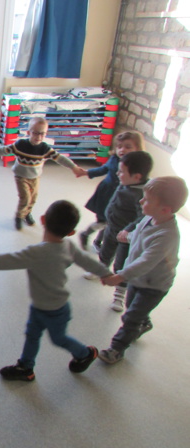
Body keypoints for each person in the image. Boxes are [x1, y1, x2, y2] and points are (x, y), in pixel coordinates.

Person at [0, 200, 112, 381]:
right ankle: (26, 367)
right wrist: (105, 274)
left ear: (42, 220)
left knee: (59, 339)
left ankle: (85, 353)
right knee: (32, 335)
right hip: (45, 306)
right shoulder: (69, 246)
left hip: (55, 309)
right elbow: (87, 261)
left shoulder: (36, 253)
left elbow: (7, 260)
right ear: (71, 232)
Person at [99, 176, 188, 364]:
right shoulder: (150, 218)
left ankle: (116, 348)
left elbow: (147, 261)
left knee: (130, 317)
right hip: (138, 279)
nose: (141, 201)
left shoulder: (167, 236)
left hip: (154, 285)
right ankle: (144, 322)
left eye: (146, 200)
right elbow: (140, 235)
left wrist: (120, 276)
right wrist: (129, 236)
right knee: (133, 307)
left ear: (165, 209)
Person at [0, 117, 84, 230]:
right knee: (25, 198)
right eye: (35, 133)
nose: (39, 137)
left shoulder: (45, 148)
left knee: (33, 198)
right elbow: (5, 150)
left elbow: (60, 158)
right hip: (21, 176)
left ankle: (27, 213)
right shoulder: (20, 144)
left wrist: (73, 167)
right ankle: (19, 217)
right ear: (28, 132)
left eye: (42, 134)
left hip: (35, 177)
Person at [83, 151, 153, 313]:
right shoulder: (125, 182)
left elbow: (142, 218)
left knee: (122, 265)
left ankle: (119, 294)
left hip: (125, 237)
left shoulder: (141, 194)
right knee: (105, 253)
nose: (117, 173)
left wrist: (127, 230)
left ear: (136, 177)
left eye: (121, 172)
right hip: (111, 228)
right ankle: (100, 270)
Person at [76, 131, 144, 252]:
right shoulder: (114, 159)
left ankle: (98, 241)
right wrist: (86, 172)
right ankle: (86, 234)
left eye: (128, 147)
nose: (122, 150)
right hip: (106, 194)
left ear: (137, 149)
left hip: (122, 197)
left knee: (111, 221)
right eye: (119, 146)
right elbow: (103, 169)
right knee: (103, 221)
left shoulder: (138, 165)